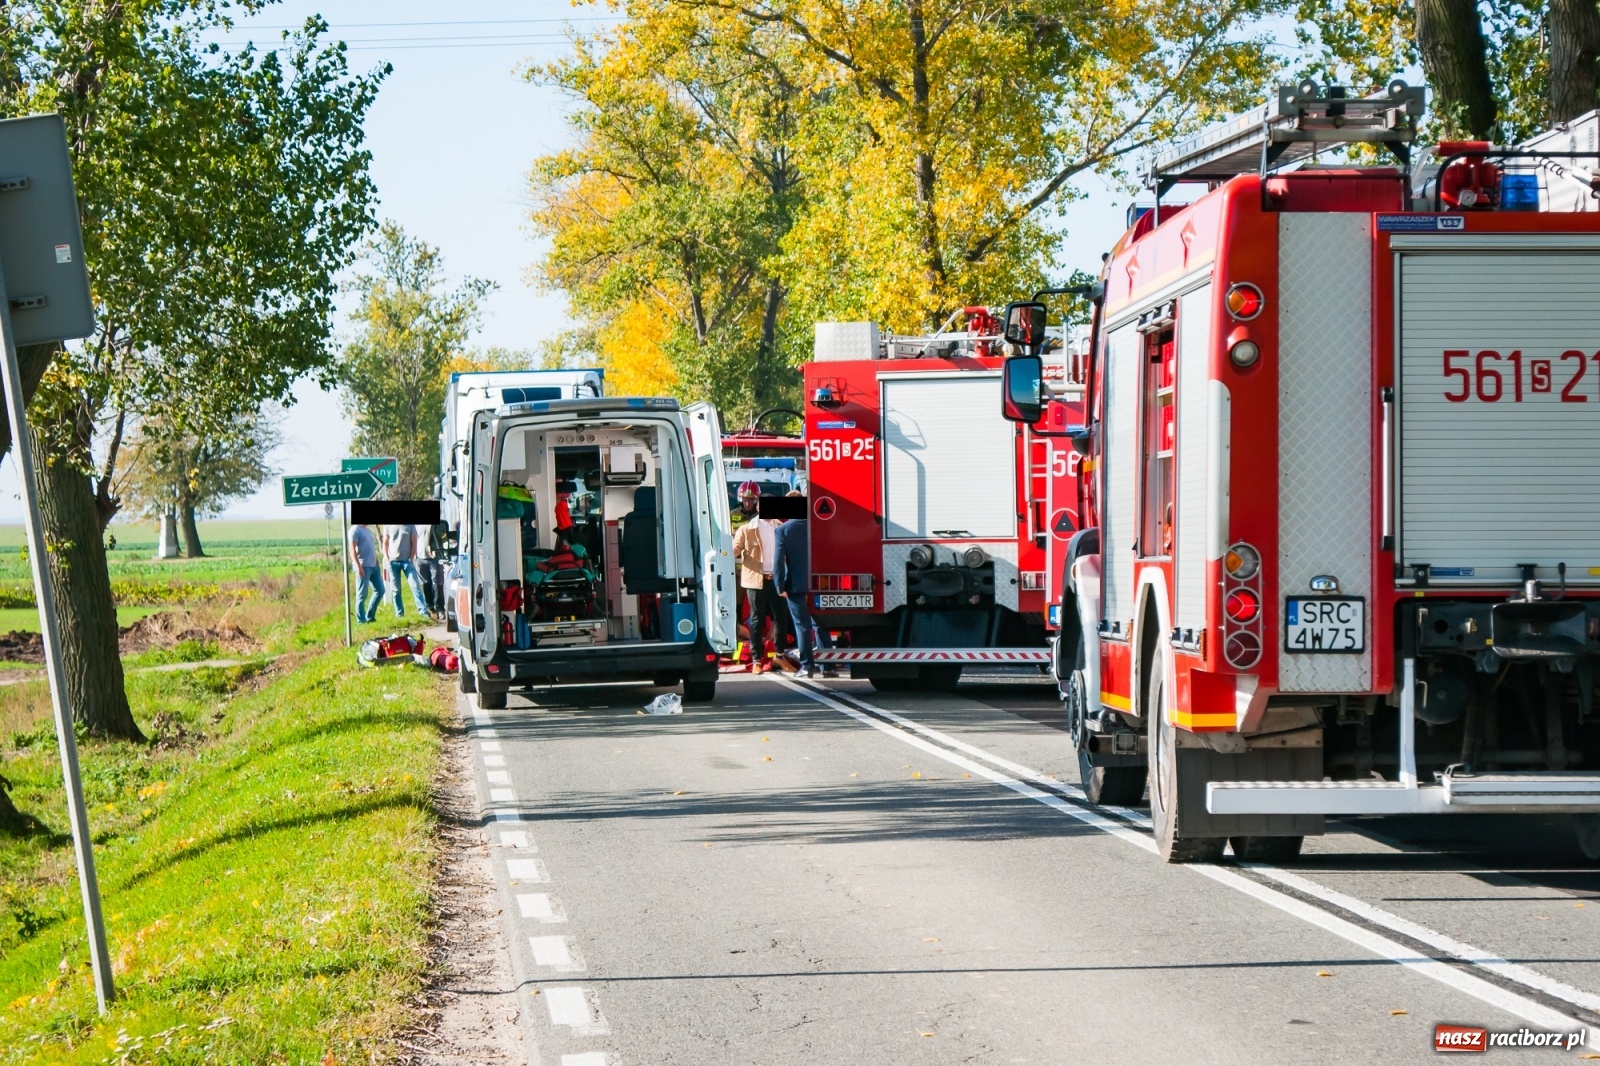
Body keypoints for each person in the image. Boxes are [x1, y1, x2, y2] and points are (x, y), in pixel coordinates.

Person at [773, 494, 822, 679]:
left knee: (802, 626)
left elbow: (778, 561)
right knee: (820, 625)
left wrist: (780, 585)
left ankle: (807, 666)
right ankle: (828, 667)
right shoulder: (817, 526)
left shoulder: (783, 530)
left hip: (796, 584)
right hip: (819, 582)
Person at [731, 486, 768, 670]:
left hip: (759, 571)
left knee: (760, 611)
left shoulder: (765, 516)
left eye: (752, 499)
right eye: (745, 499)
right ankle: (738, 637)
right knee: (736, 606)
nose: (748, 502)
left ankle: (767, 642)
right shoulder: (731, 515)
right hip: (737, 571)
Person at [384, 523, 429, 619]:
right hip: (393, 562)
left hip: (407, 562)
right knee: (396, 590)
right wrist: (387, 558)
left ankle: (423, 612)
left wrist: (412, 557)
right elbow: (385, 543)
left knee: (415, 586)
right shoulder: (388, 526)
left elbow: (414, 541)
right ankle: (399, 614)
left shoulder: (410, 525)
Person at [349, 522, 385, 624]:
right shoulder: (355, 530)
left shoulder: (368, 531)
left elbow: (372, 549)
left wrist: (377, 563)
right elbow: (352, 550)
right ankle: (361, 620)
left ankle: (370, 616)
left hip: (374, 566)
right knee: (362, 595)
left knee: (380, 590)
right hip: (363, 566)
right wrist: (358, 566)